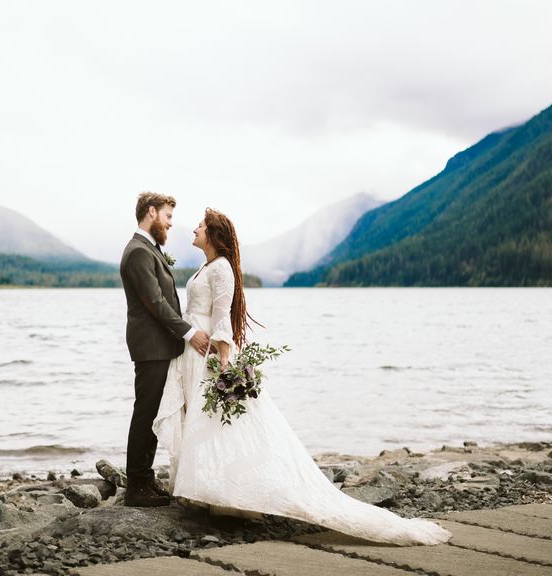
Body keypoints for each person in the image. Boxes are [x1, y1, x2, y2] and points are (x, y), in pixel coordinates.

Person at [152, 208, 452, 545]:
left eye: (201, 225)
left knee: (220, 425)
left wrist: (224, 365)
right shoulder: (206, 267)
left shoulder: (221, 269)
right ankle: (210, 489)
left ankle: (231, 495)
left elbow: (222, 318)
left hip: (209, 355)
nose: (194, 228)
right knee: (204, 423)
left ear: (214, 235)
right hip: (193, 354)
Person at [119, 192, 211, 507]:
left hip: (160, 346)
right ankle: (136, 486)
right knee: (145, 413)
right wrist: (189, 332)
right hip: (151, 346)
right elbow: (155, 302)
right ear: (151, 212)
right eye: (168, 217)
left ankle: (145, 480)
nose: (171, 224)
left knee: (155, 411)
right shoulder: (138, 252)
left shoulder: (148, 249)